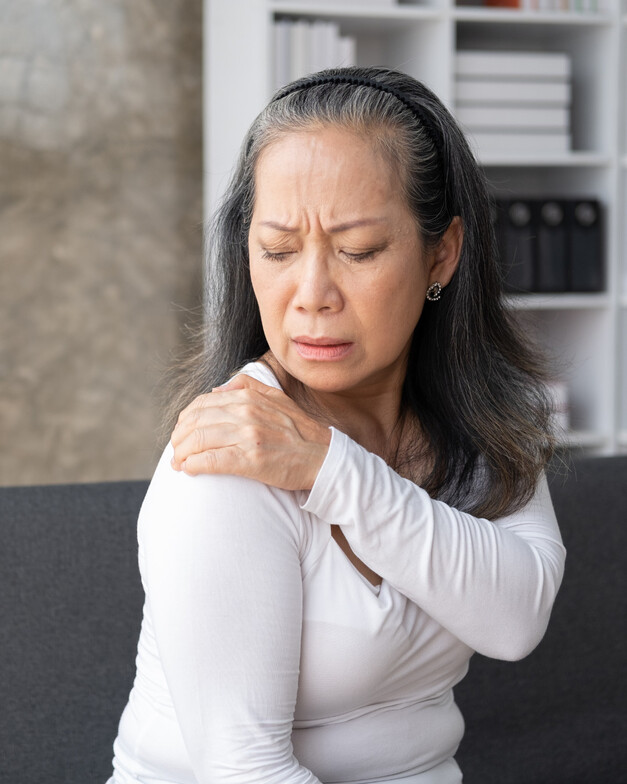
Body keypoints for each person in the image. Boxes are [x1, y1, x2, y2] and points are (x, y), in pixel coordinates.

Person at [107, 66, 566, 784]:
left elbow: (514, 619)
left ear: (439, 254)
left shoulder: (485, 419)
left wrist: (332, 470)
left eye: (357, 251)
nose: (311, 296)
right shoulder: (228, 454)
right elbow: (243, 769)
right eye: (279, 250)